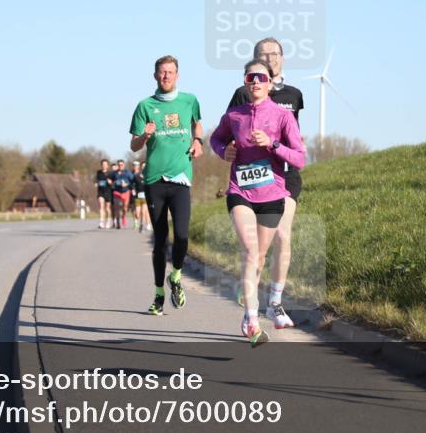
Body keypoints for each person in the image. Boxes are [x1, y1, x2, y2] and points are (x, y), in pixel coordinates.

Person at [211, 58, 305, 346]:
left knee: (260, 256)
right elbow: (216, 139)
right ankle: (252, 319)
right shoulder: (234, 115)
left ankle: (251, 312)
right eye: (251, 77)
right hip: (240, 191)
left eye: (261, 78)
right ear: (244, 80)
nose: (256, 82)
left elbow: (300, 157)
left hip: (273, 195)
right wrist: (223, 151)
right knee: (251, 252)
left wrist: (273, 145)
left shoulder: (282, 116)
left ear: (270, 82)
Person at [130, 55, 204, 315]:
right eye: (162, 72)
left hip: (181, 178)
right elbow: (134, 145)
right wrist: (144, 135)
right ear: (155, 76)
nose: (166, 76)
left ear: (178, 75)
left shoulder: (189, 100)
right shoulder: (145, 106)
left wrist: (198, 142)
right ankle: (159, 295)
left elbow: (198, 125)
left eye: (170, 72)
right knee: (160, 240)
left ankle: (176, 275)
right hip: (154, 180)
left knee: (182, 235)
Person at [109, 159, 134, 229]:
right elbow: (109, 179)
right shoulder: (114, 173)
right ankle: (118, 222)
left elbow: (132, 181)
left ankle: (124, 216)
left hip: (126, 192)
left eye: (121, 165)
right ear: (117, 165)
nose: (120, 166)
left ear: (124, 165)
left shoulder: (128, 172)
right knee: (117, 207)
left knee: (125, 207)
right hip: (116, 192)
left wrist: (126, 184)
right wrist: (111, 182)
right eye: (119, 165)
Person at [130, 160, 149, 232]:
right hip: (138, 196)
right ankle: (138, 221)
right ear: (141, 167)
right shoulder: (136, 175)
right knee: (137, 213)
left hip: (146, 196)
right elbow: (132, 184)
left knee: (143, 211)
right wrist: (133, 189)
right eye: (142, 166)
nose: (144, 167)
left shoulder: (149, 175)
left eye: (145, 166)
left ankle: (142, 224)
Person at [95, 159, 112, 229]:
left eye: (105, 164)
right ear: (101, 165)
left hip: (108, 191)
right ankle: (101, 222)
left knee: (107, 208)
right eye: (103, 164)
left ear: (107, 166)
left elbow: (112, 183)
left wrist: (110, 182)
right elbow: (96, 180)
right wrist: (96, 183)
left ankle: (108, 221)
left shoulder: (110, 173)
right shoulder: (98, 172)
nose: (104, 166)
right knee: (101, 206)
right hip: (100, 192)